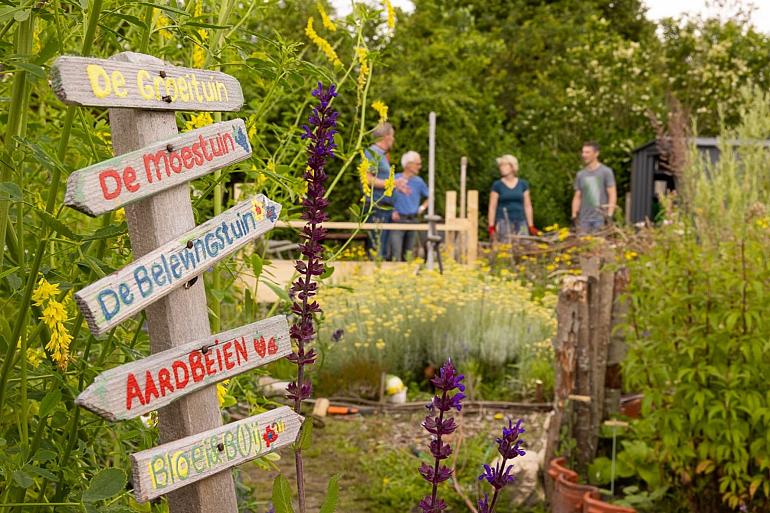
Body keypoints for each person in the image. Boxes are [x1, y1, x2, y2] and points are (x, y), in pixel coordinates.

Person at [362, 122, 406, 259]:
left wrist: (396, 185)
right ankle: (373, 277)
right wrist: (391, 183)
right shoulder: (372, 153)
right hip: (376, 206)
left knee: (383, 251)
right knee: (377, 249)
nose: (393, 139)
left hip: (385, 207)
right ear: (386, 136)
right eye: (392, 136)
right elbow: (367, 178)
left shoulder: (381, 155)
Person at [389, 151, 429, 261]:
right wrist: (392, 210)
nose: (420, 167)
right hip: (398, 221)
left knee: (409, 253)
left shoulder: (419, 181)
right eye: (418, 164)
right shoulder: (395, 179)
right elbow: (385, 197)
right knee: (396, 253)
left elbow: (430, 197)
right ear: (408, 164)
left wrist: (422, 208)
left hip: (413, 220)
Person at [487, 154, 536, 242]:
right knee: (505, 248)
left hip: (521, 221)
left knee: (524, 247)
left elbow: (528, 206)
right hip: (503, 222)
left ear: (512, 166)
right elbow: (492, 207)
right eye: (500, 166)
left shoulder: (523, 184)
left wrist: (530, 225)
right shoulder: (497, 185)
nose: (501, 168)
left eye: (504, 165)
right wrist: (491, 226)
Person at [571, 141, 617, 233]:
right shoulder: (581, 174)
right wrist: (574, 216)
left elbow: (612, 194)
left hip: (600, 219)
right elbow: (577, 196)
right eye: (583, 152)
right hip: (583, 220)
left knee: (598, 246)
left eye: (587, 152)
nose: (584, 155)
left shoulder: (606, 172)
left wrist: (609, 215)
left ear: (596, 154)